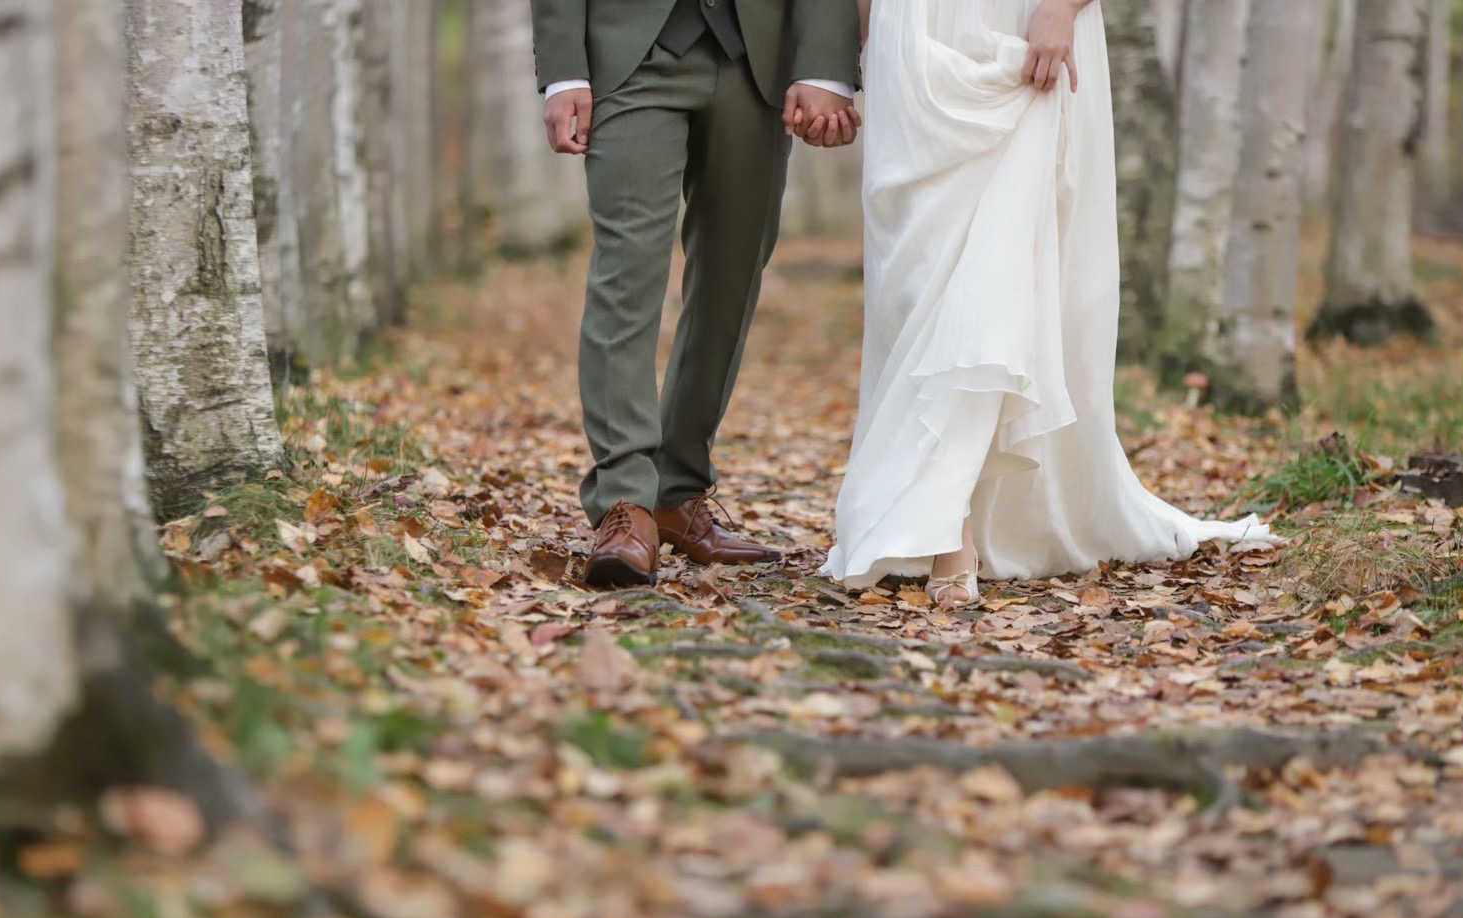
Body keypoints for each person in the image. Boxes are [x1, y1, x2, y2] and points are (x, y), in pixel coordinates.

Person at [822, 0, 1276, 606]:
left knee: (1000, 269)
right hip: (913, 36)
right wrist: (852, 53)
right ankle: (933, 508)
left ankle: (947, 528)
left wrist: (1062, 7)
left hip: (1025, 22)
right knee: (916, 282)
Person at [531, 0, 863, 588]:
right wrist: (564, 72)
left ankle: (676, 491)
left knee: (731, 282)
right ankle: (626, 503)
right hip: (630, 58)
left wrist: (826, 68)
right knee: (626, 276)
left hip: (756, 63)